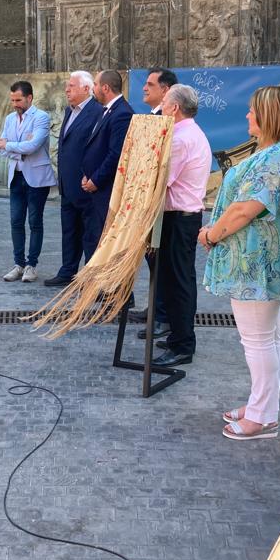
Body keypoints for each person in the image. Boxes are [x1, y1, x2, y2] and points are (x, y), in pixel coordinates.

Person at [200, 86, 280, 438]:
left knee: (258, 340)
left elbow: (246, 209)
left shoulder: (279, 156)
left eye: (252, 111)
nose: (247, 116)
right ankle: (261, 404)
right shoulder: (276, 152)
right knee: (268, 338)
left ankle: (262, 417)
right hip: (257, 263)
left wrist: (211, 235)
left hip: (258, 265)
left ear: (268, 116)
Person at [140, 85, 212, 366]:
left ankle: (182, 344)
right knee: (175, 281)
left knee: (178, 282)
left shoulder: (182, 138)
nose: (161, 108)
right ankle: (177, 336)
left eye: (165, 103)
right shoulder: (189, 133)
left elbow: (161, 181)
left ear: (174, 108)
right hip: (180, 216)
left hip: (179, 218)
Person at [130, 67, 179, 333]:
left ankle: (163, 315)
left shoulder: (170, 121)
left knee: (162, 261)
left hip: (162, 205)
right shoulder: (152, 117)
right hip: (148, 202)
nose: (145, 88)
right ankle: (156, 307)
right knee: (152, 260)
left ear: (166, 90)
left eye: (150, 84)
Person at [44, 70, 103, 287]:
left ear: (87, 89)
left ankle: (90, 277)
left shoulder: (97, 113)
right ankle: (67, 270)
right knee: (69, 232)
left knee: (90, 235)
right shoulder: (70, 112)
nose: (67, 90)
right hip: (67, 186)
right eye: (67, 86)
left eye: (72, 86)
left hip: (86, 187)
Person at [0, 80, 56, 283]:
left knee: (34, 222)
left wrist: (12, 146)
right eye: (12, 100)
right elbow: (1, 147)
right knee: (15, 222)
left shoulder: (41, 117)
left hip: (37, 180)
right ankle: (18, 264)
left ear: (29, 98)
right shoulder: (9, 119)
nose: (15, 103)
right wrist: (18, 150)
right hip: (16, 178)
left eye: (18, 99)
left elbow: (33, 146)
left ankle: (32, 265)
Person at [81, 69, 135, 258]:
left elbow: (116, 154)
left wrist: (95, 180)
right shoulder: (106, 111)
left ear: (105, 87)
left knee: (108, 244)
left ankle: (115, 288)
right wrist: (87, 175)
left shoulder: (122, 113)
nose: (92, 89)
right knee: (94, 239)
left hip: (107, 191)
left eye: (95, 85)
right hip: (95, 189)